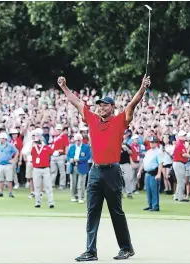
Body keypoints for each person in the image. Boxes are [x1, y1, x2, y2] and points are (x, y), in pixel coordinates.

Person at [58, 75, 150, 261]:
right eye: (99, 105)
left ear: (112, 107)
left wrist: (142, 87)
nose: (101, 107)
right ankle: (90, 251)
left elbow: (133, 104)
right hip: (96, 171)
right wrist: (64, 87)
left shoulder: (119, 121)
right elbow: (76, 102)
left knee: (116, 212)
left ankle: (126, 248)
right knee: (92, 211)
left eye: (105, 105)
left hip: (112, 171)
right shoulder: (92, 119)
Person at [137, 137, 163, 211]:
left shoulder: (158, 152)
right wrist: (139, 171)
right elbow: (144, 163)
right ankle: (150, 205)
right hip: (147, 173)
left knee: (154, 190)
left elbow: (160, 163)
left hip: (154, 173)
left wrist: (159, 174)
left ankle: (155, 206)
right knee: (148, 190)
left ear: (156, 143)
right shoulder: (148, 152)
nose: (151, 143)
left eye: (153, 142)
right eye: (151, 142)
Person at [31, 128, 55, 208]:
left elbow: (53, 152)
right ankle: (37, 202)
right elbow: (25, 151)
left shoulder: (46, 147)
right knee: (37, 186)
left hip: (45, 168)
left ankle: (51, 202)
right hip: (36, 168)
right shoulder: (33, 147)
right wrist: (32, 142)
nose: (38, 137)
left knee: (48, 186)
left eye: (39, 136)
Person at [66, 133, 91, 204]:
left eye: (79, 140)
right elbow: (68, 155)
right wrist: (70, 159)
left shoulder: (86, 147)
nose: (77, 142)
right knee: (73, 183)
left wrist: (79, 159)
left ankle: (81, 197)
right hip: (73, 166)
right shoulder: (72, 147)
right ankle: (74, 196)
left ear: (81, 140)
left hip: (82, 166)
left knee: (81, 183)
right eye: (76, 140)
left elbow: (88, 156)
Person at [0, 132, 19, 198]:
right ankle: (0, 192)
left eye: (0, 138)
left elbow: (17, 152)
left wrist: (13, 159)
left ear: (4, 139)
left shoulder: (10, 145)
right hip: (0, 165)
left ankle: (10, 193)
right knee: (0, 180)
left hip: (8, 164)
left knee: (9, 180)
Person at [173, 130, 190, 202]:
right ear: (180, 137)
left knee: (180, 181)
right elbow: (184, 154)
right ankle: (180, 197)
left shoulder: (181, 143)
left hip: (179, 163)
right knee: (181, 181)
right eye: (184, 136)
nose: (185, 137)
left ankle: (177, 195)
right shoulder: (180, 144)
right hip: (179, 163)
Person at [50, 124, 69, 189]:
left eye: (59, 129)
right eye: (57, 129)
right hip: (53, 155)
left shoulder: (64, 136)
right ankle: (52, 184)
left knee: (62, 171)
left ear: (61, 130)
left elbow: (66, 146)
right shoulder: (55, 136)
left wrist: (66, 155)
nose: (58, 131)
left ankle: (62, 184)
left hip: (61, 155)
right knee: (53, 171)